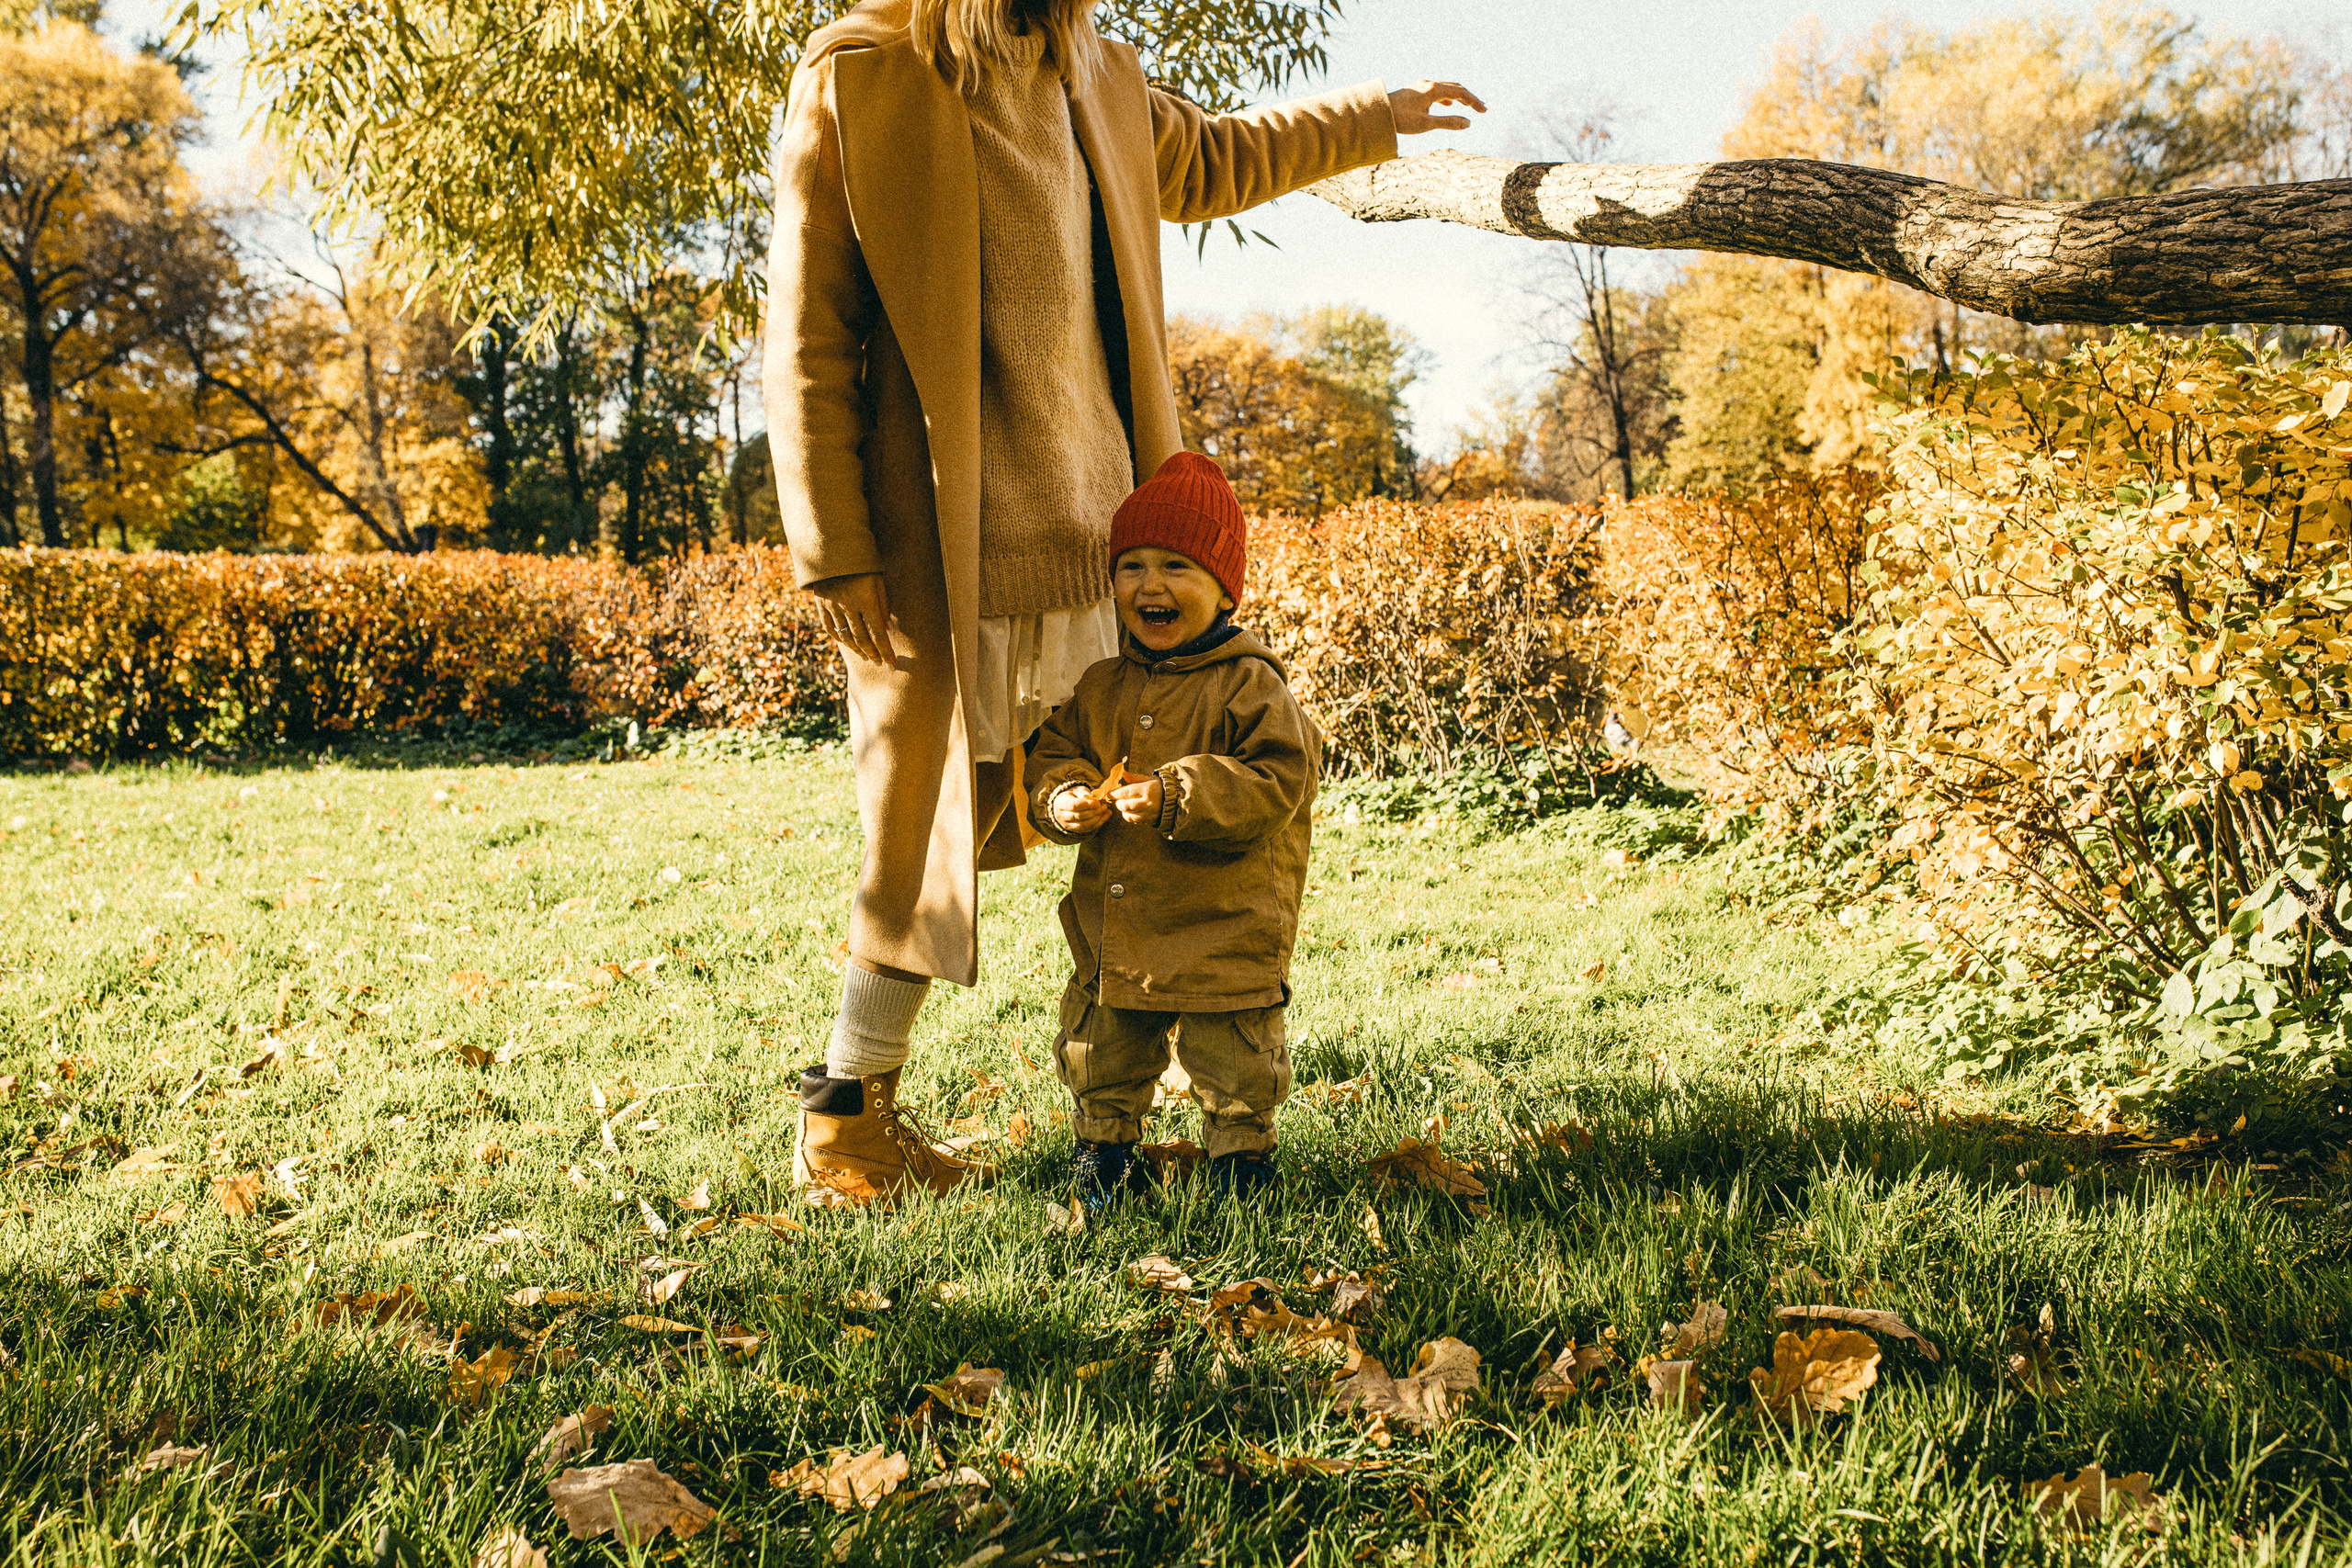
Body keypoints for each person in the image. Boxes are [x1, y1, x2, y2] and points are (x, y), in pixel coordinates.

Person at [766, 0, 1482, 1205]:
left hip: (1109, 544)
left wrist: (1379, 116)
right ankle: (848, 1118)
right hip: (939, 553)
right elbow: (808, 331)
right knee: (920, 840)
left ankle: (1164, 1107)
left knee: (1153, 820)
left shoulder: (1095, 73)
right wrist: (832, 547)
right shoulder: (864, 75)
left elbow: (1218, 158)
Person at [1028, 452, 1317, 1201]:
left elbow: (1277, 781)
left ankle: (1241, 1166)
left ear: (1224, 589)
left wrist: (1176, 791)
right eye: (1132, 566)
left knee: (1235, 1059)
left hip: (1225, 924)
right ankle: (1105, 1155)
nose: (1149, 585)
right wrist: (1063, 797)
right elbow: (1054, 754)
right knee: (1102, 1046)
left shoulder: (1250, 684)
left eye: (1176, 566)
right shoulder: (1103, 685)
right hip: (1119, 926)